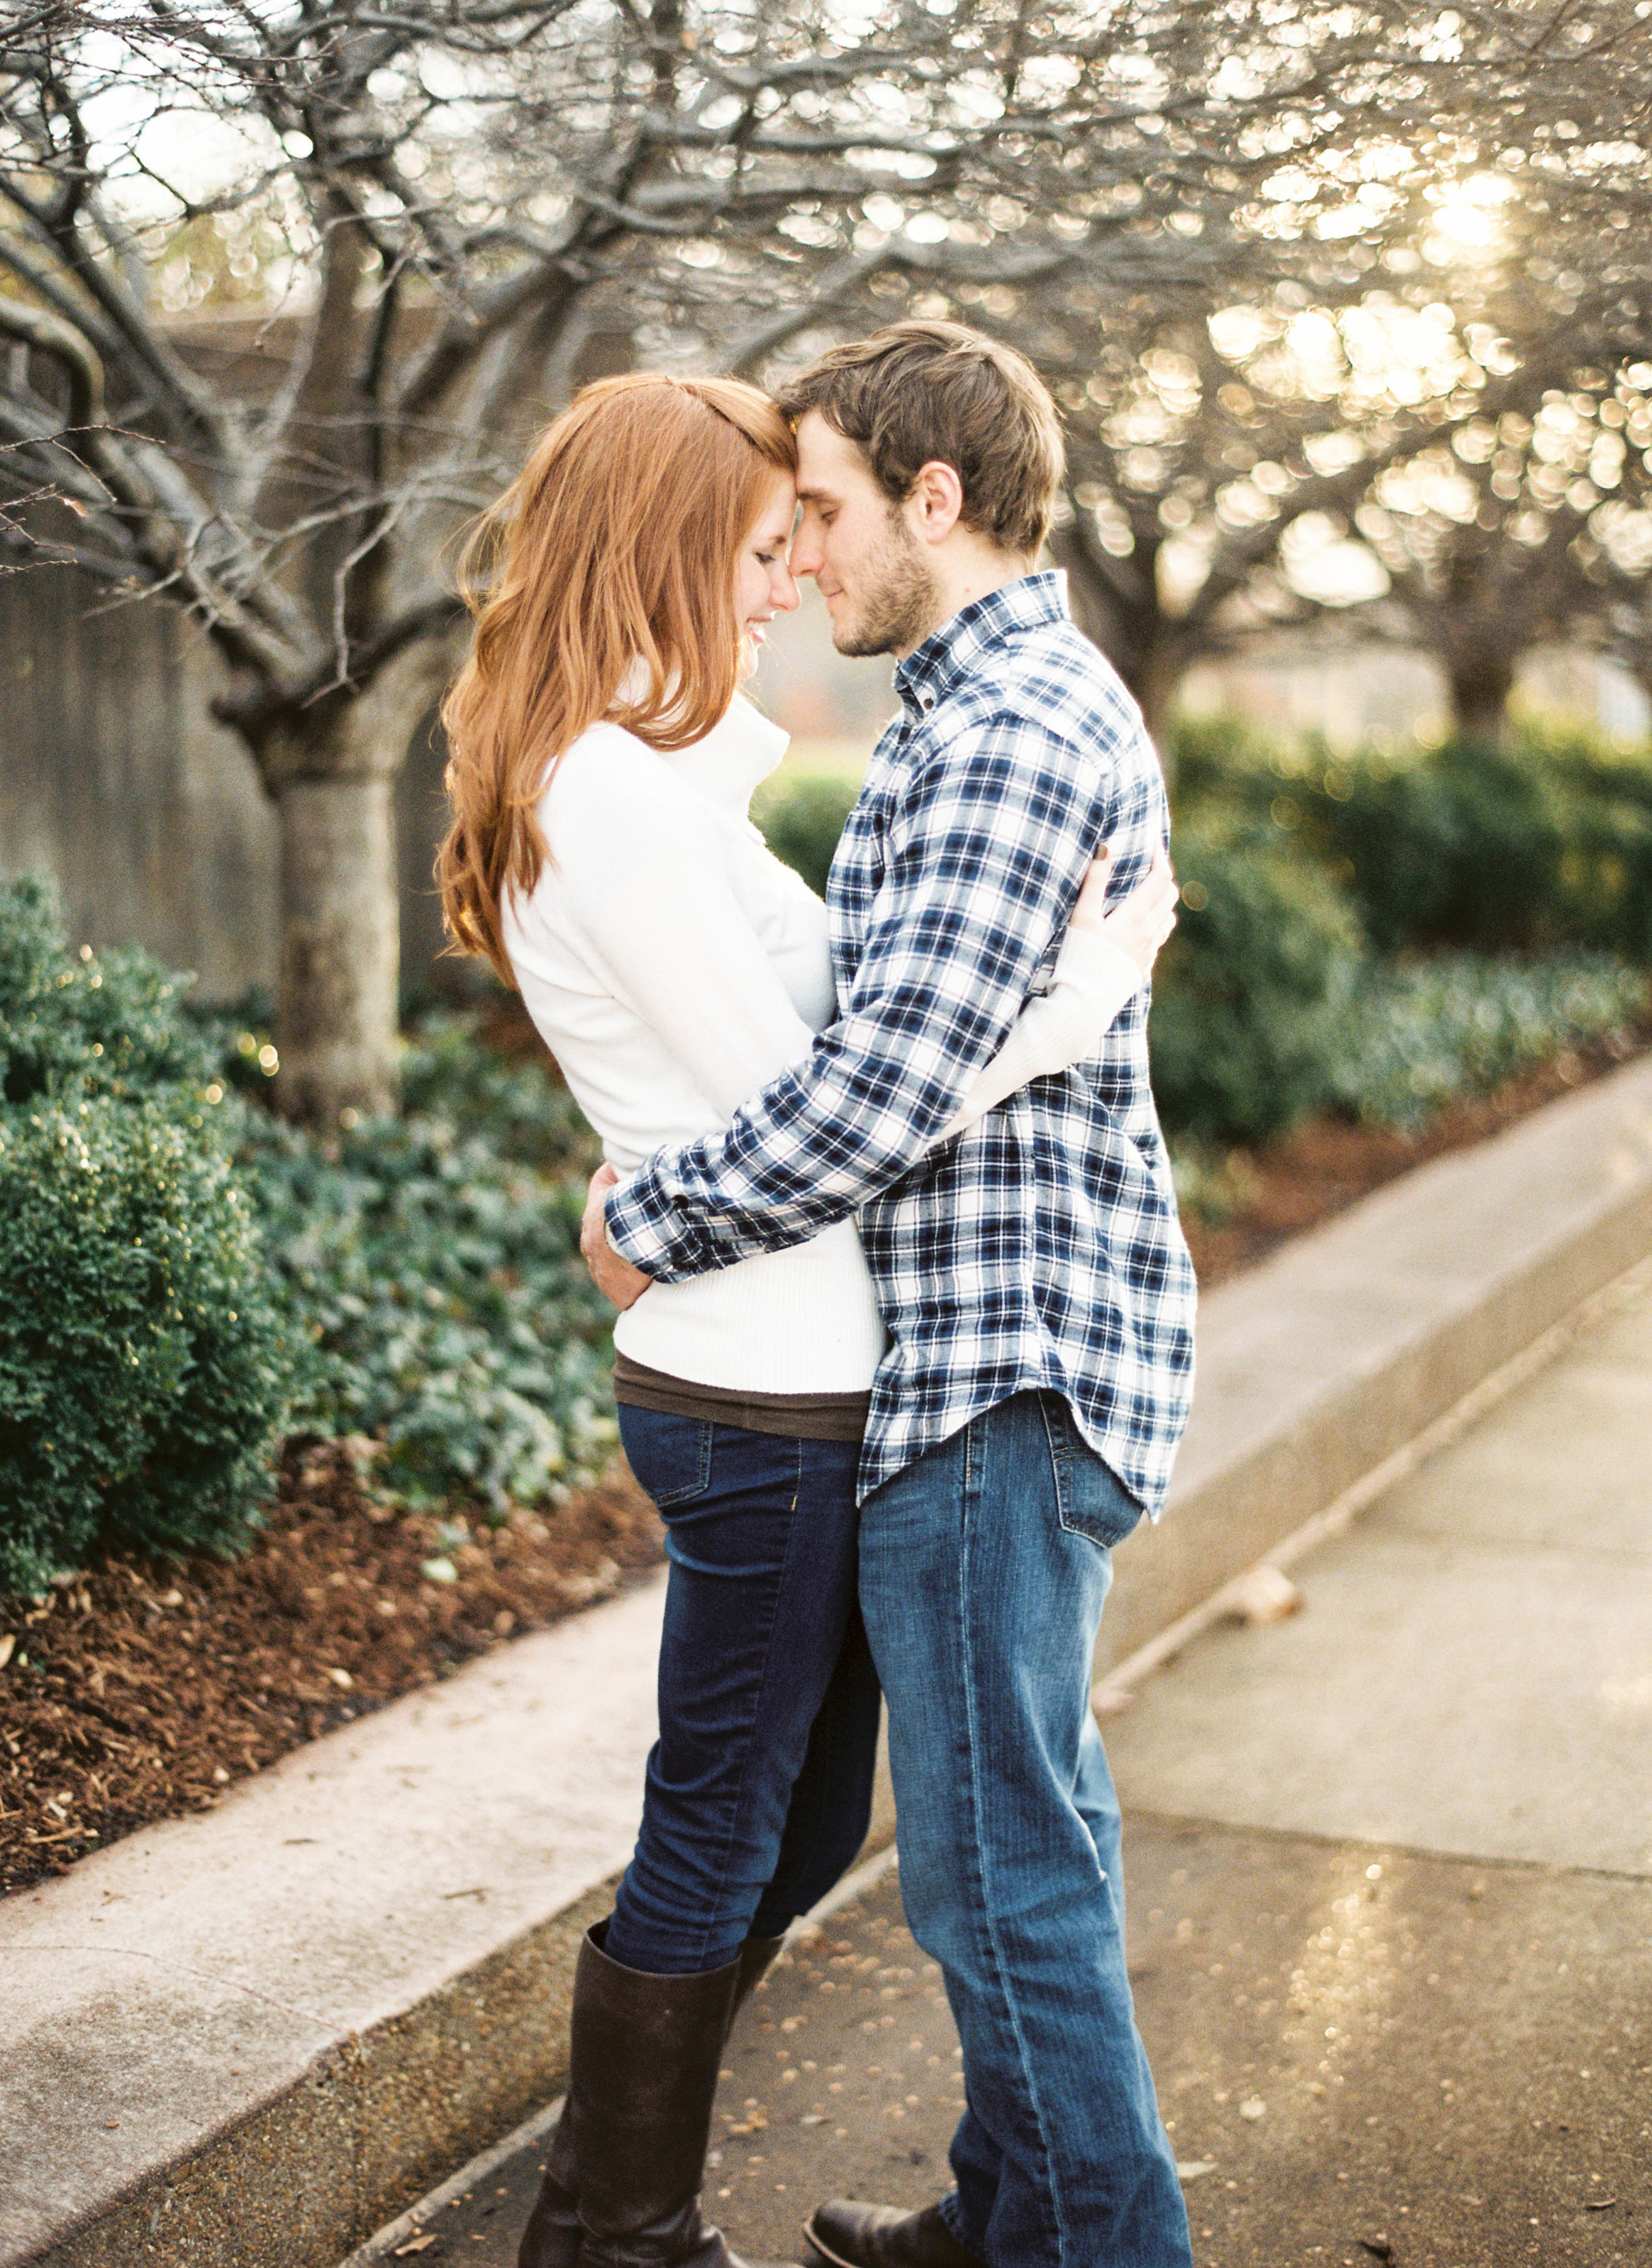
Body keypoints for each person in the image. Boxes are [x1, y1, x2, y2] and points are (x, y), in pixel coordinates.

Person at [436, 369, 1178, 2268]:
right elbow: (836, 1093)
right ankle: (619, 2226)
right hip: (760, 1384)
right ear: (671, 546)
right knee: (760, 1823)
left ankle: (906, 2208)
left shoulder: (674, 776)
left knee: (828, 1821)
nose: (786, 577)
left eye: (808, 529)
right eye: (763, 544)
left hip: (834, 1370)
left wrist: (1045, 995)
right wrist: (1075, 999)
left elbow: (865, 1033)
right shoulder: (609, 791)